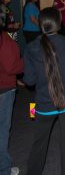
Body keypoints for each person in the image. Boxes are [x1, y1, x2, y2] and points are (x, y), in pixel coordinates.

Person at [24, 7, 65, 175]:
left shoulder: (30, 48)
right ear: (59, 23)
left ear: (41, 24)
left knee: (39, 144)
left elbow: (29, 81)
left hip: (44, 104)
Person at [0, 19, 24, 175]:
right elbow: (12, 67)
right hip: (4, 89)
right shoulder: (4, 40)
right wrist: (25, 62)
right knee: (2, 130)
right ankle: (4, 169)